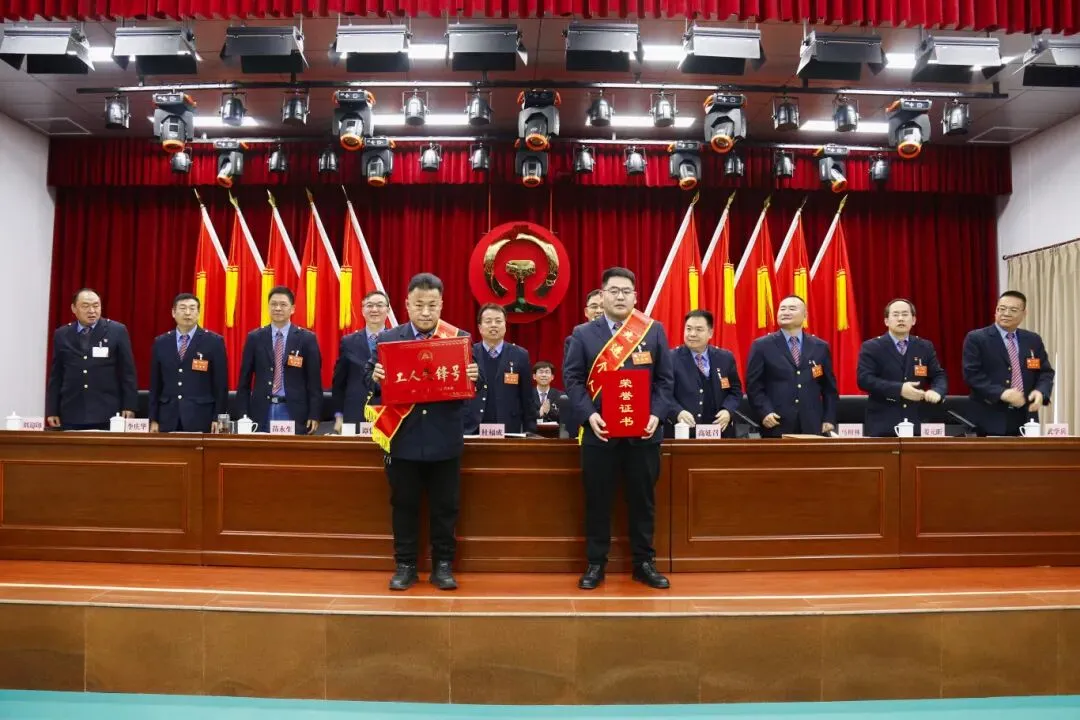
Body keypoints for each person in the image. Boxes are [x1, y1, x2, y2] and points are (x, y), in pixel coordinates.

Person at [365, 273, 481, 591]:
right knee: (404, 506)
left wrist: (476, 374)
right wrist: (375, 376)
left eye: (432, 305)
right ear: (407, 304)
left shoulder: (458, 338)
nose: (426, 312)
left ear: (441, 304)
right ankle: (405, 565)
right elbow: (368, 381)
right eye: (419, 305)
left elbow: (476, 384)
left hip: (445, 438)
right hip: (404, 438)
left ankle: (443, 565)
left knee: (445, 508)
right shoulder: (388, 339)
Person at [563, 267, 674, 590]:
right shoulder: (583, 334)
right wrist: (588, 416)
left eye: (626, 291)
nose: (620, 296)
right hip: (600, 433)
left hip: (643, 435)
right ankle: (595, 564)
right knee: (598, 501)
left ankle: (644, 564)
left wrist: (657, 415)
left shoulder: (652, 330)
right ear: (603, 295)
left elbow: (665, 381)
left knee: (643, 502)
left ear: (635, 297)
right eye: (614, 291)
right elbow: (572, 379)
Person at [962, 290, 1055, 436]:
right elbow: (972, 375)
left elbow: (1045, 372)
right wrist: (1002, 393)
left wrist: (1041, 392)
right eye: (1002, 309)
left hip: (1026, 417)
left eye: (1013, 310)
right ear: (996, 311)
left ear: (1024, 314)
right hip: (989, 417)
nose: (1006, 313)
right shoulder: (977, 338)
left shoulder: (1032, 340)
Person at [746, 295, 838, 438]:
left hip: (812, 423)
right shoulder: (762, 345)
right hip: (776, 422)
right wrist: (765, 412)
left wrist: (829, 418)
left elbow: (829, 388)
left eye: (792, 309)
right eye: (782, 309)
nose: (786, 312)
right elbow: (754, 385)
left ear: (805, 315)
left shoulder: (820, 346)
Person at [46, 288, 137, 430]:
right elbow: (56, 375)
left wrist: (129, 405)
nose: (92, 311)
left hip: (108, 410)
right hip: (71, 410)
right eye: (85, 306)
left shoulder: (117, 331)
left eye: (96, 305)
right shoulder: (62, 334)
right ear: (74, 308)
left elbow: (127, 372)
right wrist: (52, 410)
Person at [235, 286, 322, 434]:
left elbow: (314, 381)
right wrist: (243, 415)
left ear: (292, 309)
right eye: (273, 304)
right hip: (261, 411)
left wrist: (314, 414)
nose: (278, 308)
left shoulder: (306, 339)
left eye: (283, 304)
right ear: (268, 307)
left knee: (290, 449)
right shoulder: (255, 337)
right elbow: (244, 381)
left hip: (293, 411)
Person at [857, 298, 947, 437]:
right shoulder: (872, 347)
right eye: (895, 314)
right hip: (882, 423)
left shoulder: (924, 346)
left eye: (905, 314)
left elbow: (938, 375)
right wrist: (899, 389)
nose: (900, 318)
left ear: (913, 320)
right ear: (886, 321)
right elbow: (864, 379)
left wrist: (937, 391)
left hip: (916, 420)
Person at [148, 293, 228, 433]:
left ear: (198, 313)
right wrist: (153, 418)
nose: (187, 313)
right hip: (167, 417)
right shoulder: (161, 342)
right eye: (183, 308)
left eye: (192, 308)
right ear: (173, 312)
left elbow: (221, 385)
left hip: (201, 417)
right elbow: (155, 385)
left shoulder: (213, 342)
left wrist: (218, 417)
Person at [668, 309, 742, 438]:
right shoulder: (670, 358)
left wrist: (728, 411)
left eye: (699, 329)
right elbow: (662, 392)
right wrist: (677, 412)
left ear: (710, 333)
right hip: (684, 432)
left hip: (720, 431)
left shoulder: (725, 358)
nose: (692, 334)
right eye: (688, 329)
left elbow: (735, 391)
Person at [469, 303, 536, 434]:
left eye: (498, 321)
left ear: (505, 326)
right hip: (473, 428)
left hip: (509, 428)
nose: (494, 325)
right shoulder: (468, 354)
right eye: (488, 321)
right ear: (480, 327)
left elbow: (527, 397)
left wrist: (530, 430)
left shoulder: (520, 355)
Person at [332, 290, 389, 433]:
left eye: (379, 305)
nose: (374, 309)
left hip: (388, 413)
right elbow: (339, 382)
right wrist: (339, 416)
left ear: (387, 310)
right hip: (354, 414)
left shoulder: (397, 340)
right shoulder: (348, 342)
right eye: (369, 306)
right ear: (363, 311)